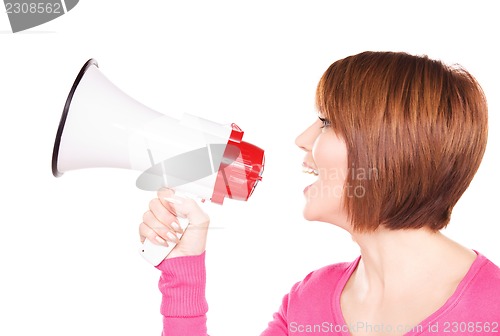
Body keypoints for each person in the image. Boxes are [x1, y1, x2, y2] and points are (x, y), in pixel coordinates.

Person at [139, 51, 500, 336]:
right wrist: (184, 268)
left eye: (326, 122)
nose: (302, 140)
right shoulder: (308, 301)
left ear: (390, 147)